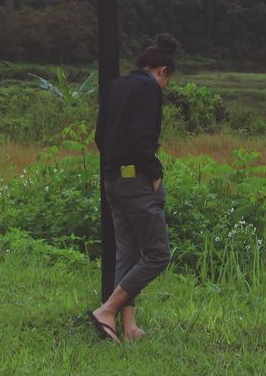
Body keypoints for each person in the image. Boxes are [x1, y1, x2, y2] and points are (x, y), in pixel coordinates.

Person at [88, 33, 178, 343]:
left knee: (126, 252)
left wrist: (116, 165)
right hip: (136, 179)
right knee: (158, 254)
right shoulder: (150, 89)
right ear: (162, 71)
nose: (165, 86)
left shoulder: (116, 86)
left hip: (113, 179)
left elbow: (100, 135)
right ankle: (107, 311)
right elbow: (143, 139)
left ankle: (128, 327)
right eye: (168, 80)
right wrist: (154, 173)